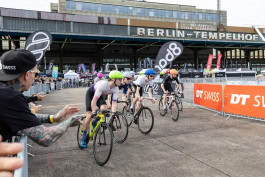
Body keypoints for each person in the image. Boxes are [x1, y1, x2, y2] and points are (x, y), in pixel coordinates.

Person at [0, 49, 84, 146]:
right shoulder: (11, 97)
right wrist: (69, 121)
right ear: (27, 75)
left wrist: (53, 118)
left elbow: (24, 117)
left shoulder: (5, 93)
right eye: (35, 73)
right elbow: (45, 137)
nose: (35, 77)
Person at [80, 70, 123, 148]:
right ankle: (83, 136)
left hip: (100, 96)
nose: (121, 81)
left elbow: (114, 103)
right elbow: (93, 101)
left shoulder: (116, 89)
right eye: (120, 79)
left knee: (104, 109)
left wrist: (114, 114)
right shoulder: (103, 85)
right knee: (89, 115)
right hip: (91, 94)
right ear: (113, 79)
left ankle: (95, 121)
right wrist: (93, 112)